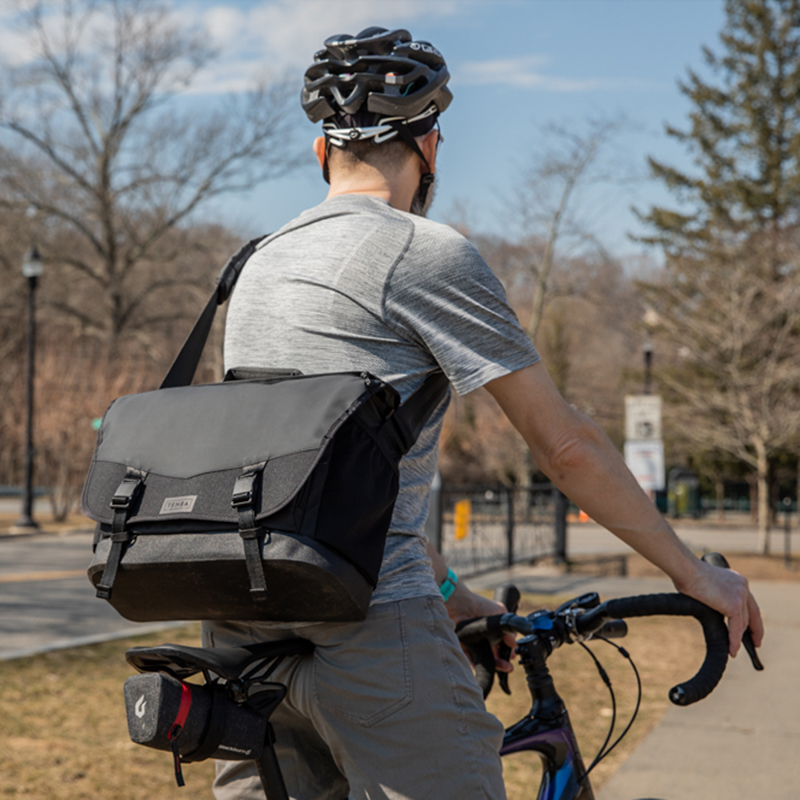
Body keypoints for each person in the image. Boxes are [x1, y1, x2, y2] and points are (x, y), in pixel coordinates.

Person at [203, 26, 763, 800]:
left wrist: (453, 596)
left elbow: (318, 487)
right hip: (365, 624)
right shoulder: (423, 253)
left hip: (240, 626)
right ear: (430, 145)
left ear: (321, 152)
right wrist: (694, 574)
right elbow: (565, 448)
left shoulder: (257, 263)